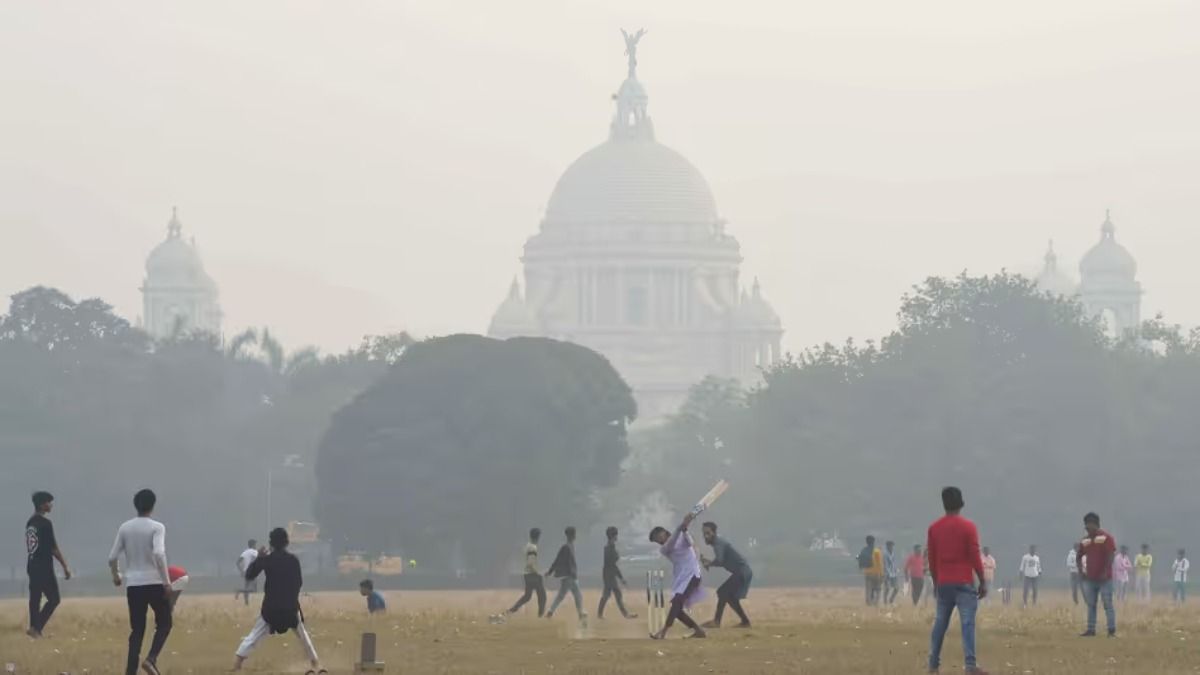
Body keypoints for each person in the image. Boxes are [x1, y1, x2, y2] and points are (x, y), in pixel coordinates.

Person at [232, 527, 323, 673]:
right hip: (290, 608)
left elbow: (249, 575)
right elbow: (298, 583)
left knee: (253, 636)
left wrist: (259, 558)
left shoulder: (267, 560)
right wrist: (292, 602)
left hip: (270, 609)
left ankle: (237, 664)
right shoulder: (293, 560)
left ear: (271, 543)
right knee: (303, 637)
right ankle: (315, 663)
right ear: (287, 542)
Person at [108, 488, 172, 675]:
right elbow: (159, 554)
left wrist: (116, 576)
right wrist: (166, 582)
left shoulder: (125, 527)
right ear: (153, 505)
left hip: (134, 584)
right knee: (165, 623)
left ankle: (130, 671)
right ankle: (151, 659)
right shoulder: (157, 527)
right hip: (154, 582)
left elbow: (112, 557)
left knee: (137, 630)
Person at [926, 486, 988, 674]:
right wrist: (982, 580)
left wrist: (937, 582)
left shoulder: (934, 528)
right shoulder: (969, 527)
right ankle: (970, 665)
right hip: (963, 581)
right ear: (960, 504)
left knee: (940, 624)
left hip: (944, 582)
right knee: (967, 623)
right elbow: (974, 555)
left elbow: (932, 559)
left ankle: (933, 665)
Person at [648, 512, 706, 639]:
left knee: (676, 603)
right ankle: (698, 630)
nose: (658, 541)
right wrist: (681, 526)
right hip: (682, 578)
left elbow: (690, 542)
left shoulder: (681, 536)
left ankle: (663, 632)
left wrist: (685, 529)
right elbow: (671, 543)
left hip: (693, 575)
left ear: (664, 532)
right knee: (677, 610)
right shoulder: (664, 549)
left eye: (658, 537)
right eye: (656, 540)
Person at [25, 490, 70, 638]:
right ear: (42, 504)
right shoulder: (46, 524)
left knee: (35, 598)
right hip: (44, 566)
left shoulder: (30, 522)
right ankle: (36, 627)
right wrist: (65, 566)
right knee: (54, 598)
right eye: (48, 502)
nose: (51, 505)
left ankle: (34, 627)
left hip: (32, 564)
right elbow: (54, 548)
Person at [700, 521, 753, 628]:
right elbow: (721, 561)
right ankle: (745, 622)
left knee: (722, 592)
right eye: (704, 533)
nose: (706, 536)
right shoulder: (718, 542)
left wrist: (709, 563)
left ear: (714, 533)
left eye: (708, 533)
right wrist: (709, 563)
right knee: (730, 597)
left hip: (741, 571)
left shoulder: (718, 543)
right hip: (743, 571)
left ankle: (716, 621)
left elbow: (720, 560)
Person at [1077, 512, 1116, 637]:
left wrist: (1105, 571)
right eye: (1085, 526)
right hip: (1090, 578)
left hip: (1105, 579)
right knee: (1091, 604)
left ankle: (1111, 630)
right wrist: (1081, 571)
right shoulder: (1086, 540)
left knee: (1107, 604)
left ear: (1095, 524)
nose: (1086, 528)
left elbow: (1111, 555)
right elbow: (1079, 556)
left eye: (1088, 525)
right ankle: (1091, 629)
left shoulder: (1106, 538)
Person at [545, 526, 586, 624]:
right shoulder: (567, 547)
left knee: (561, 595)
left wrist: (550, 572)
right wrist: (550, 571)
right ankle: (580, 614)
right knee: (578, 595)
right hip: (570, 576)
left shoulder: (569, 546)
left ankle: (550, 611)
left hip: (568, 576)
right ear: (572, 535)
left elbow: (557, 561)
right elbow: (558, 560)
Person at [505, 528, 546, 617]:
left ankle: (512, 610)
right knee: (542, 596)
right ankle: (540, 616)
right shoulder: (533, 547)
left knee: (527, 596)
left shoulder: (527, 545)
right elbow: (531, 562)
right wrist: (538, 572)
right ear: (538, 537)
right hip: (533, 574)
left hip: (527, 574)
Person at [597, 526, 636, 620]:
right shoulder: (609, 548)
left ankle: (600, 614)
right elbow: (612, 565)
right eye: (616, 534)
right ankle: (625, 614)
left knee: (608, 594)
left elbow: (612, 565)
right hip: (609, 574)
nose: (617, 536)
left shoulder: (610, 547)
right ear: (613, 536)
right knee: (612, 594)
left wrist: (620, 577)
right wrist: (621, 578)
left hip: (609, 574)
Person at [858, 535, 884, 606]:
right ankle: (876, 603)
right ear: (873, 542)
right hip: (876, 573)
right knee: (878, 589)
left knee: (868, 590)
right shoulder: (877, 551)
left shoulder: (863, 550)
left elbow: (860, 559)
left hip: (867, 573)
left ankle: (869, 603)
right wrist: (881, 574)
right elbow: (880, 563)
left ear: (866, 542)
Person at [236, 539, 258, 606]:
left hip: (246, 572)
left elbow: (237, 562)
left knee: (246, 587)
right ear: (253, 545)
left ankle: (246, 603)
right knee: (254, 589)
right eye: (255, 544)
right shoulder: (254, 552)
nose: (256, 546)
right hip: (252, 571)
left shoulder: (245, 552)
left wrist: (242, 571)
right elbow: (255, 560)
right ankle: (239, 591)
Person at [882, 540, 901, 605]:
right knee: (887, 588)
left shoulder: (893, 553)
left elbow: (894, 563)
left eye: (892, 546)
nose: (891, 547)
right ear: (887, 546)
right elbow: (885, 565)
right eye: (890, 546)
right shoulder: (885, 554)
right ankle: (885, 601)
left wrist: (896, 569)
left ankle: (891, 600)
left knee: (896, 588)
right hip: (887, 574)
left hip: (893, 574)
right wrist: (888, 573)